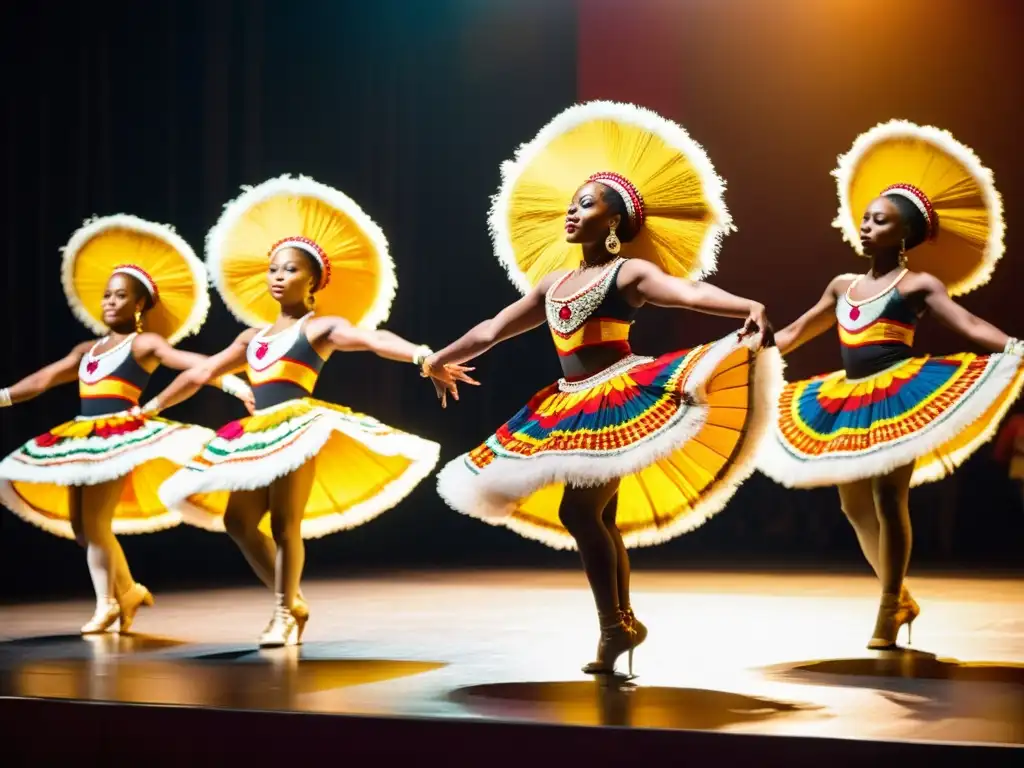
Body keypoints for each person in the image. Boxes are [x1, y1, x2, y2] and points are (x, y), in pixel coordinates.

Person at [424, 102, 782, 678]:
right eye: (571, 204)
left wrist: (750, 306)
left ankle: (616, 625)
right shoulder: (553, 283)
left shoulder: (630, 274)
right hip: (568, 401)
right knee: (599, 517)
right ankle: (618, 625)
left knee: (579, 510)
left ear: (613, 222)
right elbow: (492, 329)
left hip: (621, 395)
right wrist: (438, 358)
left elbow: (688, 294)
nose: (572, 212)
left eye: (586, 204)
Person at [153, 174, 473, 648]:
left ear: (314, 281)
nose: (278, 276)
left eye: (290, 270)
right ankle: (293, 601)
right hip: (254, 431)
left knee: (285, 524)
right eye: (273, 269)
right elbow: (200, 373)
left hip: (297, 426)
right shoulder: (251, 338)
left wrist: (422, 357)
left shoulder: (320, 328)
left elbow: (373, 339)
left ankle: (284, 612)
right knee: (237, 522)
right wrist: (153, 406)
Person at [759, 120, 1024, 650]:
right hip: (846, 397)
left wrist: (1014, 346)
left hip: (900, 394)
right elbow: (794, 331)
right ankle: (898, 593)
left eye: (880, 221)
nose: (867, 226)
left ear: (903, 234)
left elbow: (968, 326)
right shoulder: (842, 286)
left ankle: (886, 608)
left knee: (887, 497)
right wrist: (754, 346)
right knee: (851, 505)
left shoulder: (919, 285)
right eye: (865, 218)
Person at [0, 215, 253, 634]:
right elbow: (45, 378)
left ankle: (107, 605)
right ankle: (130, 590)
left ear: (140, 305)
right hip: (82, 433)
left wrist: (231, 382)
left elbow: (192, 364)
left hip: (119, 434)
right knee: (83, 528)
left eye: (121, 296)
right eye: (107, 295)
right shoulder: (87, 349)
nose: (110, 302)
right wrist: (4, 396)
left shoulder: (145, 344)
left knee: (96, 524)